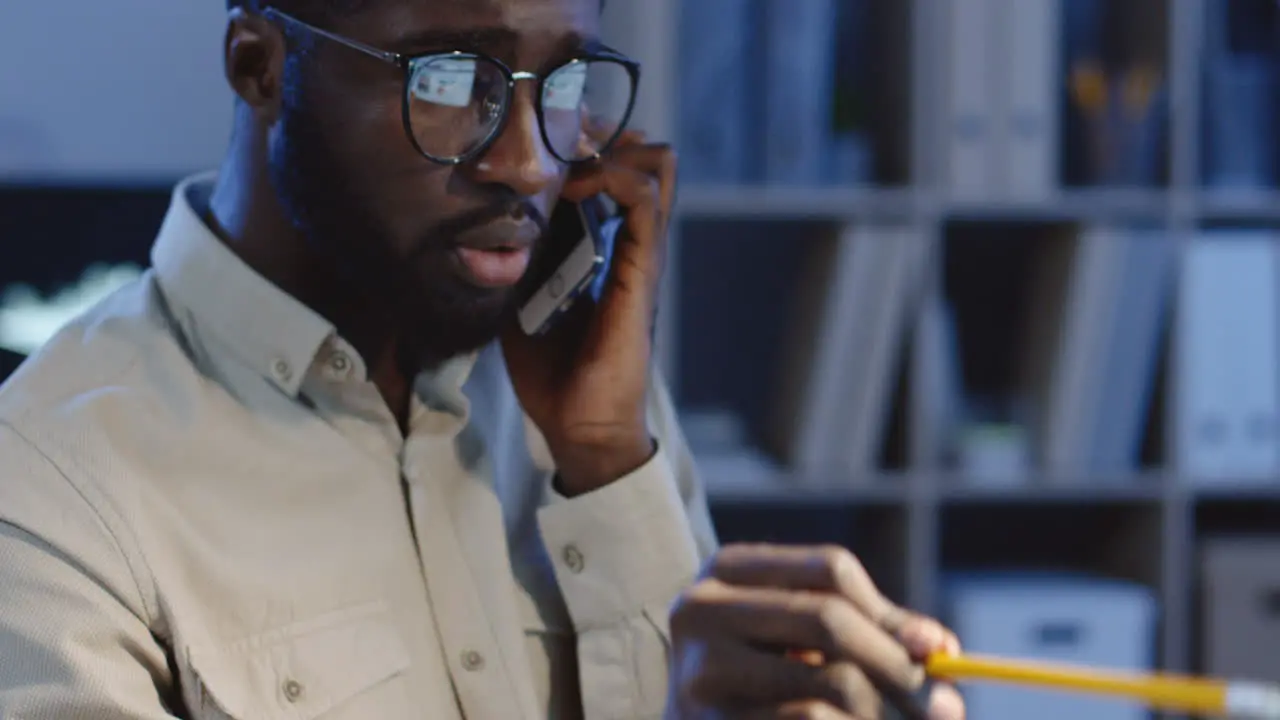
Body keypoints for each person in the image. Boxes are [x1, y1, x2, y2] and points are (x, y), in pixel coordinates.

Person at [0, 0, 966, 718]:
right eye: (448, 80)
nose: (534, 163)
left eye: (565, 87)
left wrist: (607, 459)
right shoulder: (45, 490)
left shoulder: (585, 394)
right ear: (260, 65)